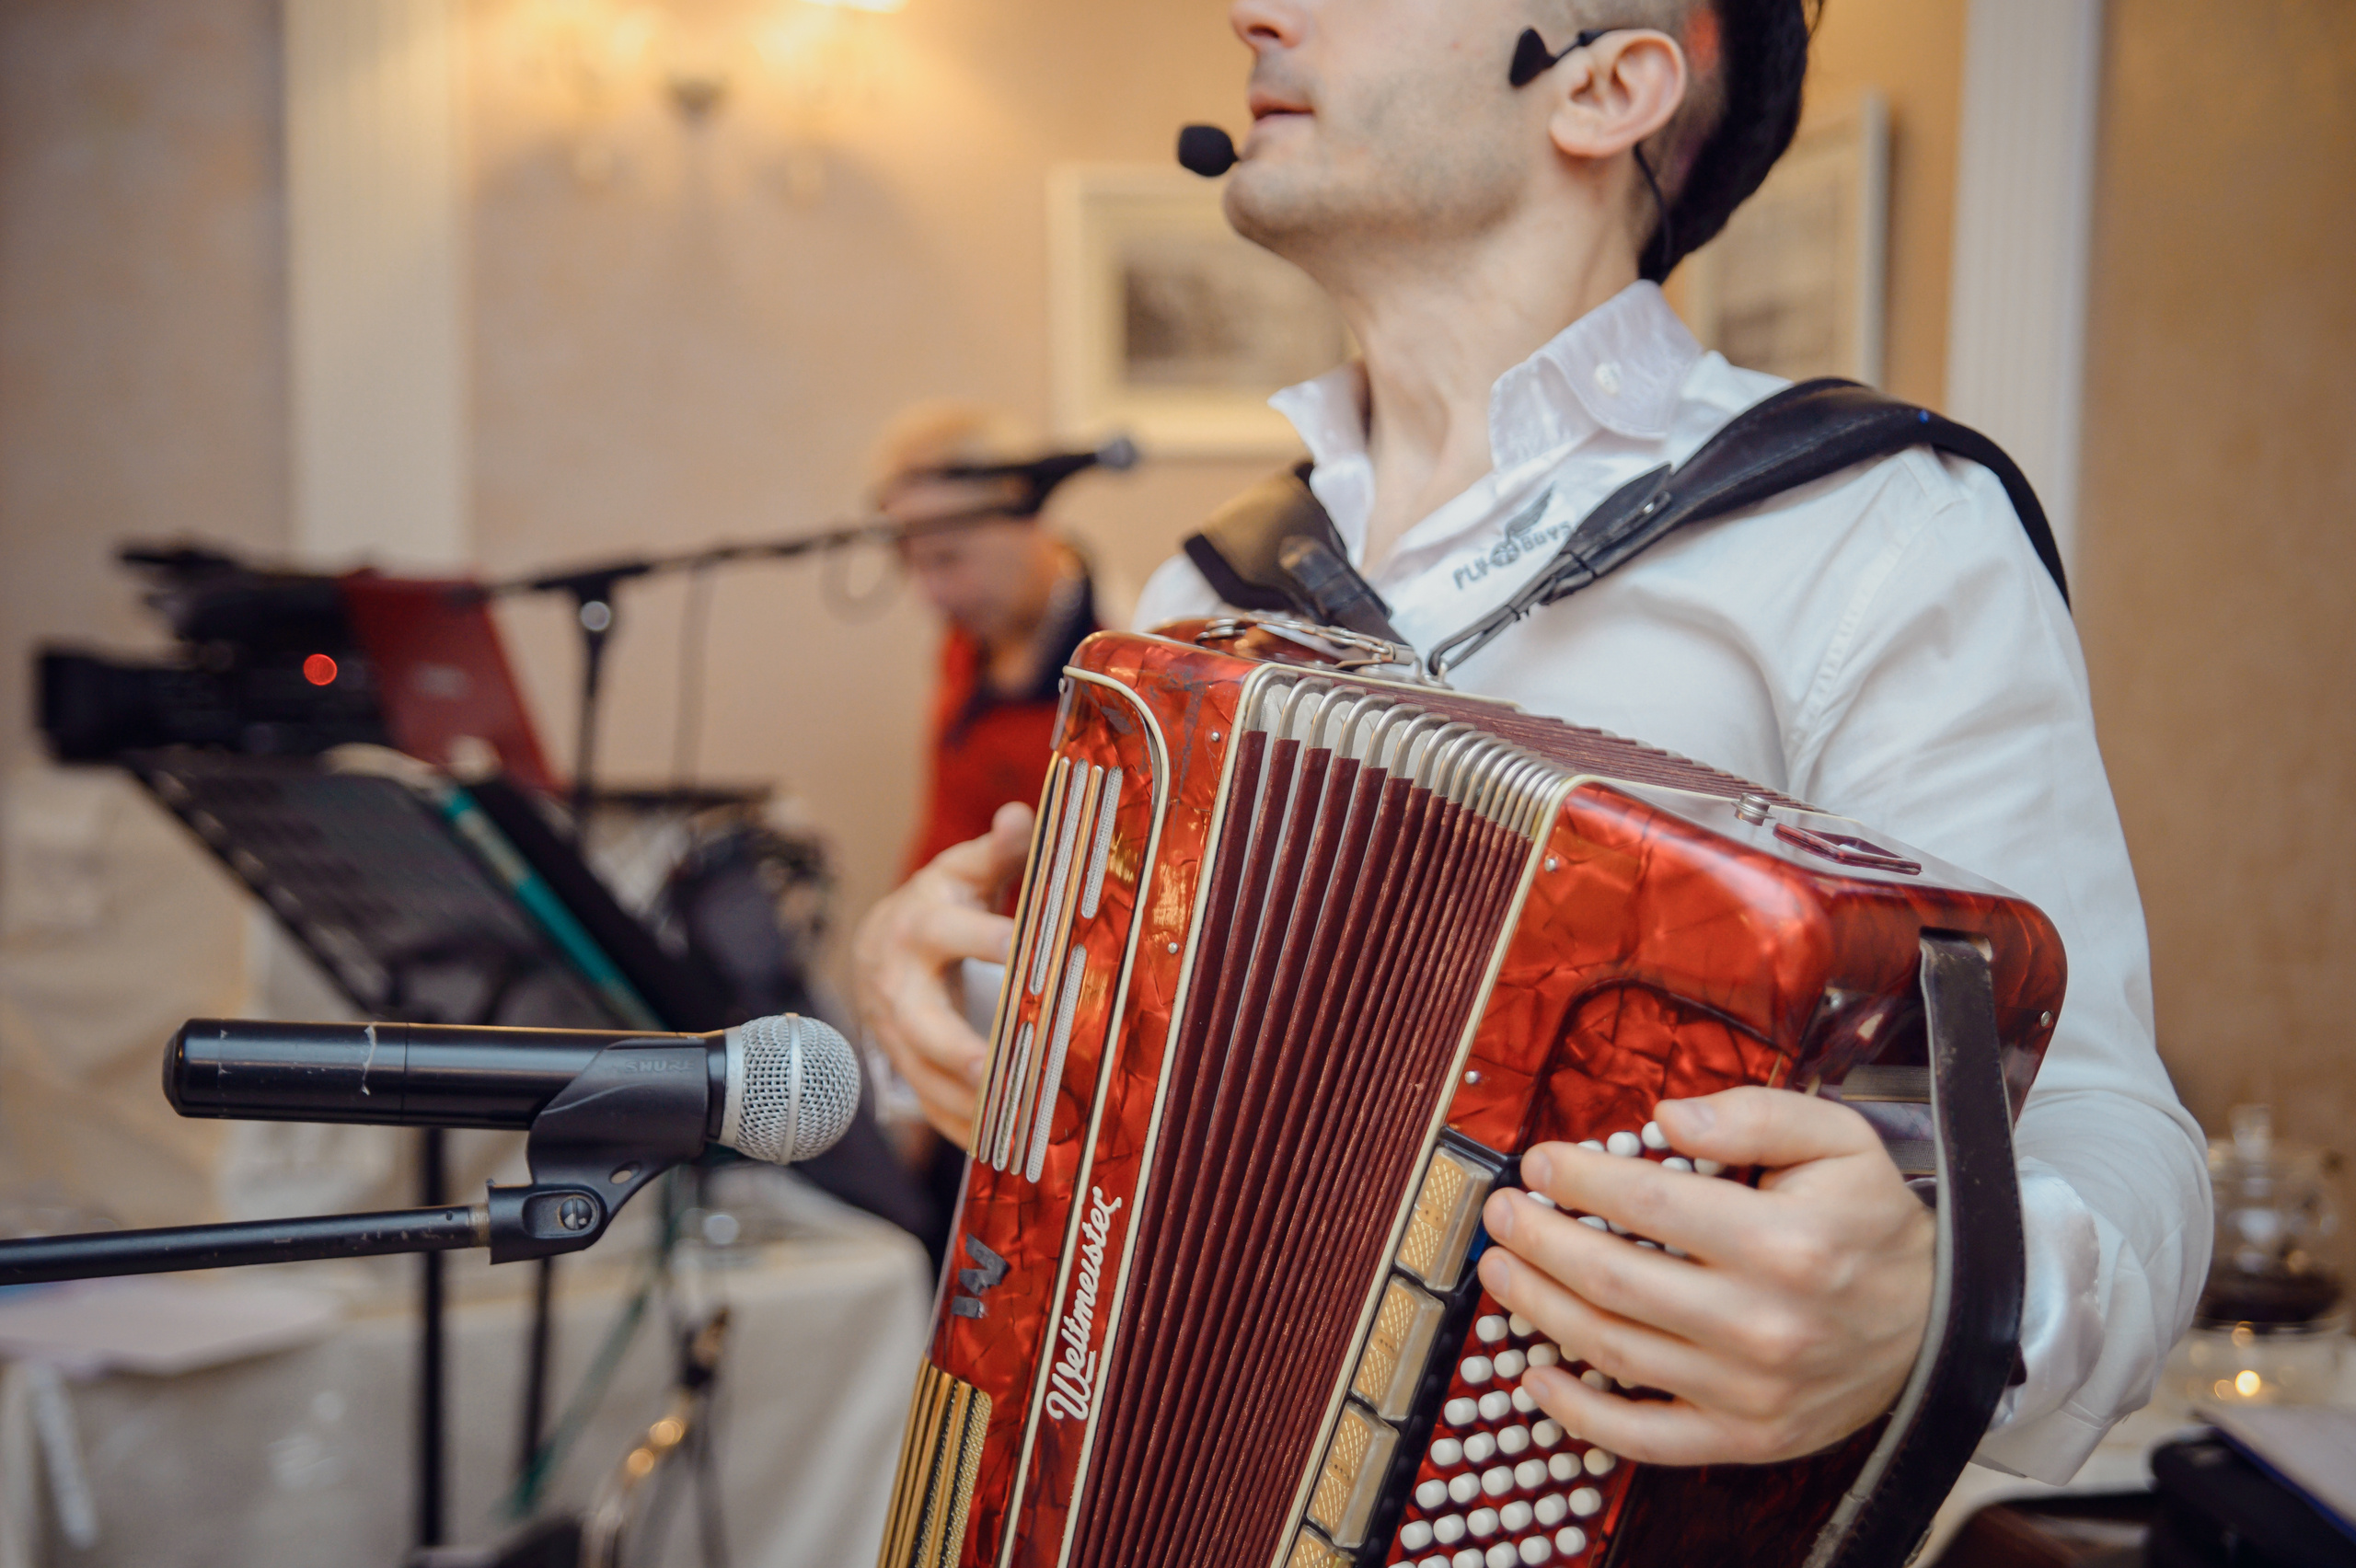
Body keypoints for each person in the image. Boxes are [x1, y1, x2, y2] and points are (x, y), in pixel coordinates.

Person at [852, 0, 2208, 1487]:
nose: (1255, 12)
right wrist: (968, 987)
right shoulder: (1200, 607)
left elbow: (2110, 1131)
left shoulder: (1879, 533)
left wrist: (1935, 1310)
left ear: (1608, 83)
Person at [871, 402, 1108, 877]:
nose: (929, 596)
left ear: (1023, 508)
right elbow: (946, 835)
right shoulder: (963, 647)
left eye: (948, 559)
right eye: (913, 564)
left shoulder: (1131, 664)